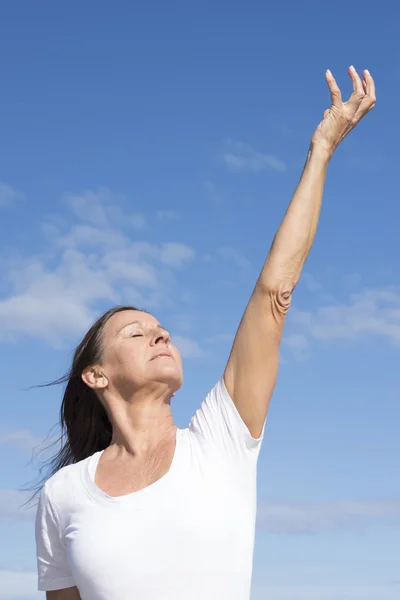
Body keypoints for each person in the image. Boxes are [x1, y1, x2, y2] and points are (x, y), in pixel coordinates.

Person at [35, 66, 376, 600]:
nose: (159, 334)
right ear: (95, 374)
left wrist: (322, 151)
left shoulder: (221, 441)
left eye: (161, 328)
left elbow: (274, 294)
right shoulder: (63, 496)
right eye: (135, 333)